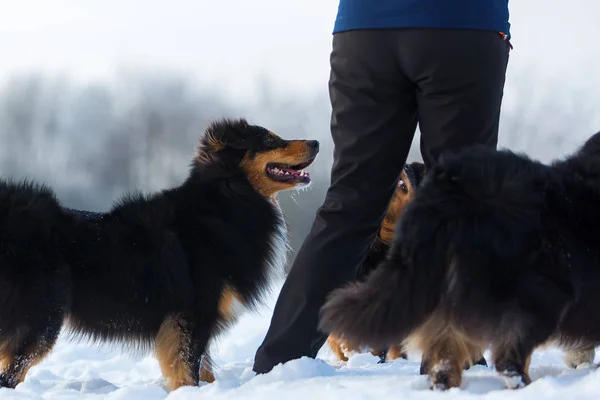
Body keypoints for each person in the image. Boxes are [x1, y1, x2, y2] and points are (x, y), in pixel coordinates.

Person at [253, 0, 512, 374]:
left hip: (365, 32)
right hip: (462, 26)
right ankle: (453, 356)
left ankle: (281, 357)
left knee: (349, 203)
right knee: (459, 200)